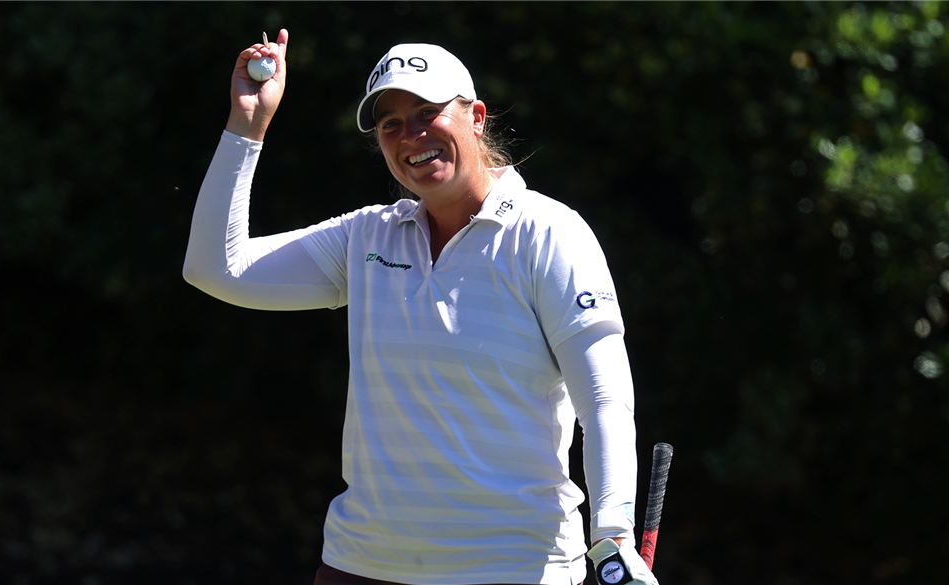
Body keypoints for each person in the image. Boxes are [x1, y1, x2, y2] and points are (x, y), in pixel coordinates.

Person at [183, 29, 660, 585]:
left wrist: (612, 535)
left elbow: (603, 399)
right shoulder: (366, 237)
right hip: (364, 565)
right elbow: (216, 269)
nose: (411, 135)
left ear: (476, 117)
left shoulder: (549, 233)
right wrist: (247, 125)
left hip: (513, 568)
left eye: (428, 112)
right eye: (390, 124)